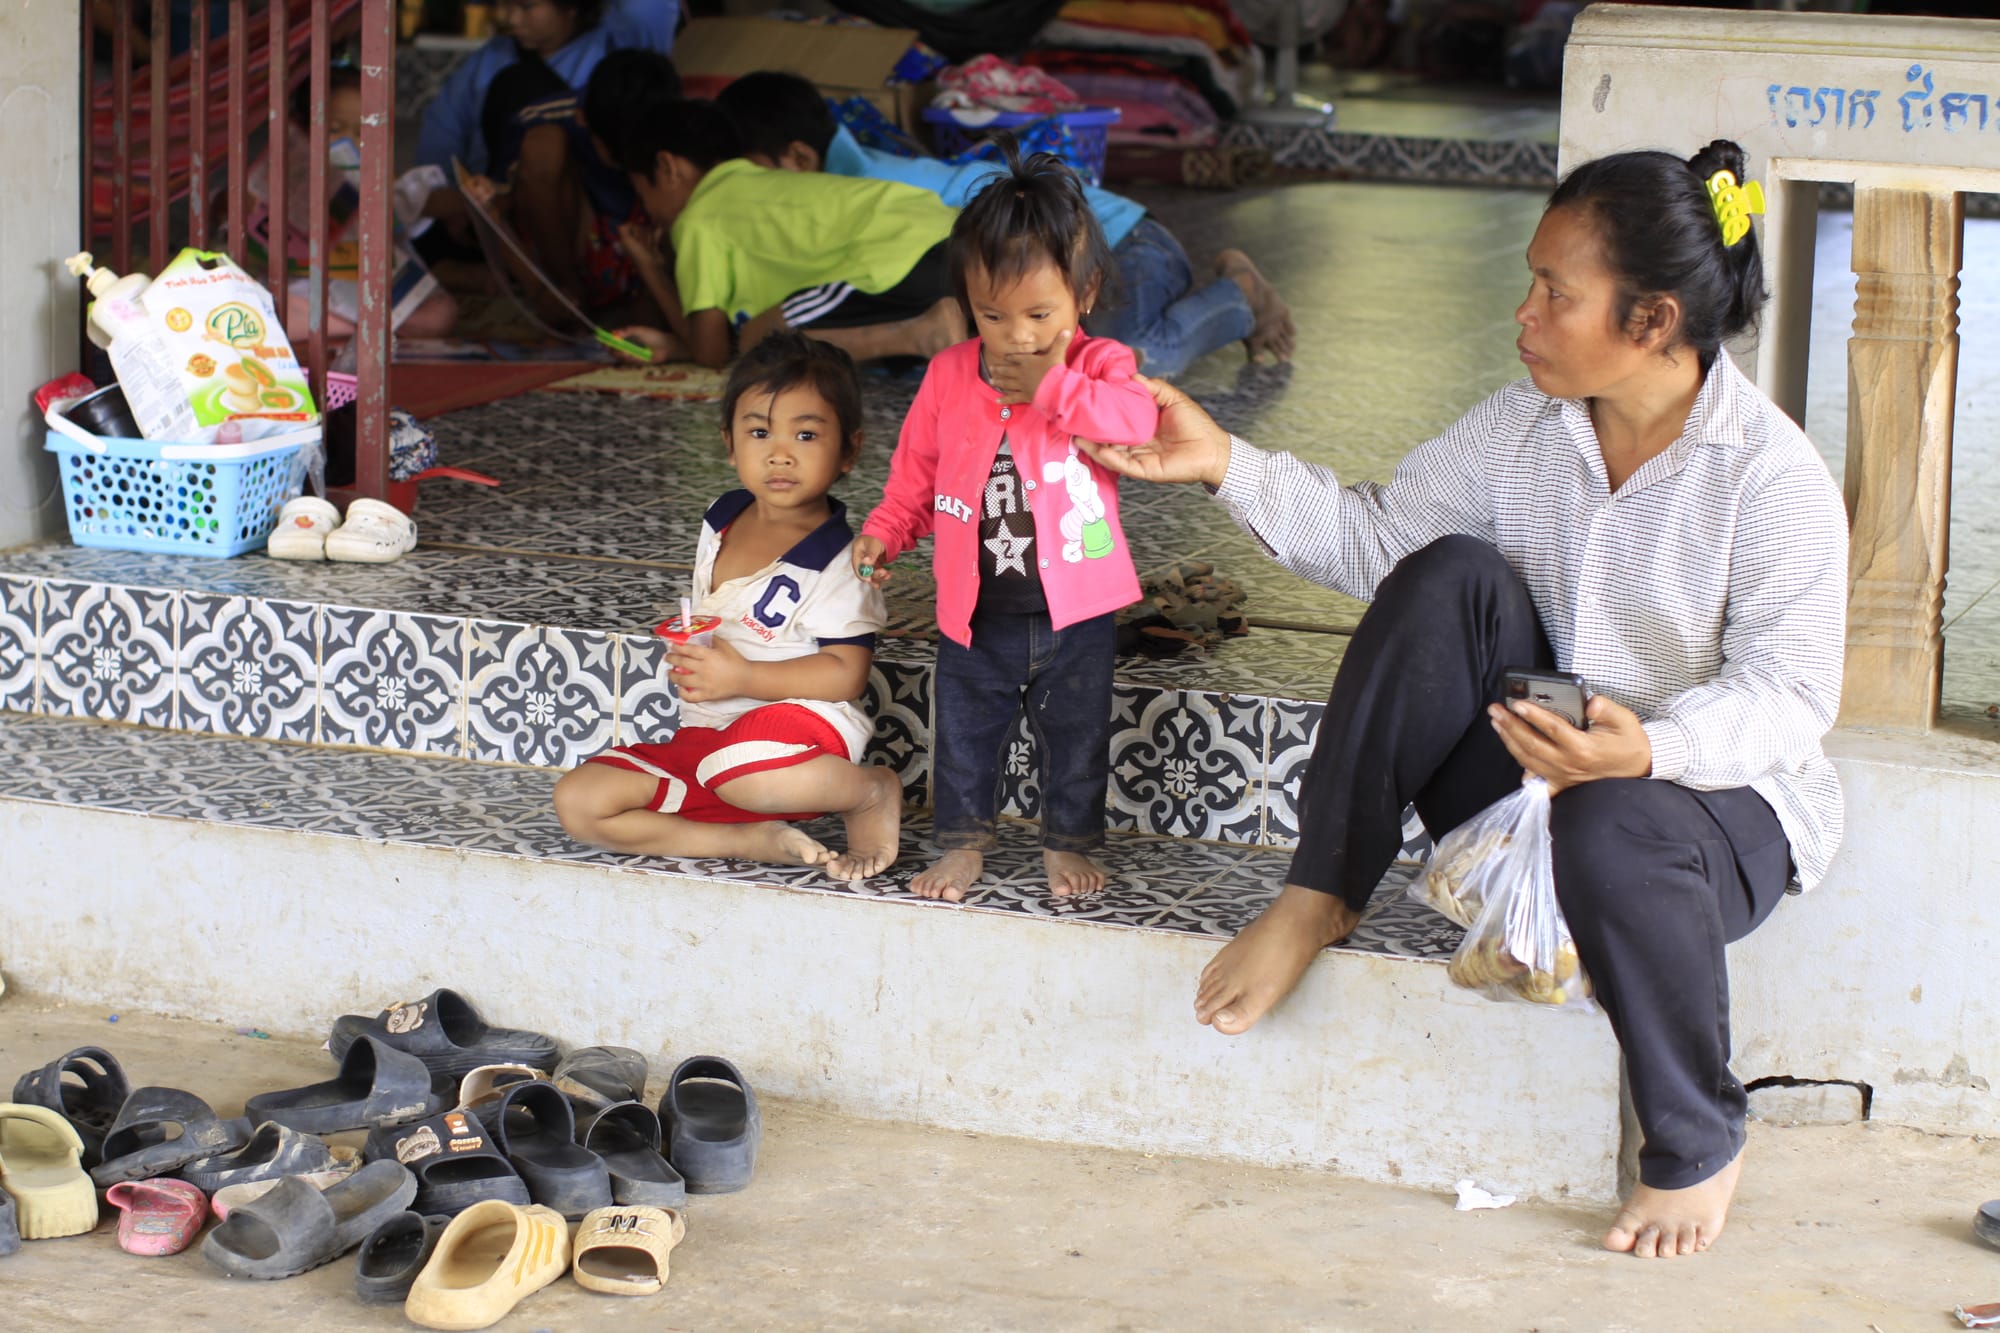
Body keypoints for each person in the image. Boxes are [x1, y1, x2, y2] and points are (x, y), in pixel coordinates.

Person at [1075, 140, 1848, 1259]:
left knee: (1610, 811)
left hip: (1691, 824)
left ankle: (1696, 1136)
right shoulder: (1517, 429)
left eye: (1554, 292)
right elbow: (1375, 539)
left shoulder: (1766, 477)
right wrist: (1220, 463)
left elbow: (1788, 697)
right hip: (1523, 780)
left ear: (1649, 321)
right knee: (1442, 574)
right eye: (1531, 281)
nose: (1523, 313)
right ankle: (1317, 894)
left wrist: (1649, 750)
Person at [851, 152, 1160, 900]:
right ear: (967, 303)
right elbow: (915, 476)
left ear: (1083, 295)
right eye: (992, 315)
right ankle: (962, 842)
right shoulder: (950, 374)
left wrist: (1056, 387)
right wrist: (885, 531)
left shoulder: (1101, 366)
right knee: (965, 737)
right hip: (974, 610)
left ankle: (1067, 840)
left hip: (1076, 610)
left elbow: (1137, 421)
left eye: (1039, 316)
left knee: (1075, 735)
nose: (1015, 337)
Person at [553, 331, 904, 879]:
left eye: (806, 434)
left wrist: (739, 674)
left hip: (798, 732)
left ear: (849, 451)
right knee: (580, 801)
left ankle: (869, 793)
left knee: (742, 771)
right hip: (707, 736)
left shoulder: (840, 558)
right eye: (759, 431)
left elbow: (846, 674)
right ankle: (746, 840)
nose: (779, 453)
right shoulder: (721, 518)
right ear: (728, 442)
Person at [713, 70, 1295, 374]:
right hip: (1065, 264)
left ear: (794, 159)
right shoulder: (837, 191)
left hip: (1124, 242)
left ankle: (1236, 293)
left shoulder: (879, 186)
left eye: (758, 173)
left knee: (1132, 360)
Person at [607, 99, 963, 369]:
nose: (649, 213)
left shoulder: (699, 216)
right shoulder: (756, 185)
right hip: (960, 241)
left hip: (902, 260)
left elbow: (711, 355)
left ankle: (918, 335)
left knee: (760, 337)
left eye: (643, 194)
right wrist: (674, 346)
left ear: (668, 167)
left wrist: (650, 268)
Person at [245, 66, 458, 342]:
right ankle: (351, 328)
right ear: (302, 128)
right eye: (334, 130)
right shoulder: (283, 178)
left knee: (441, 313)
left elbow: (435, 200)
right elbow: (239, 224)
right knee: (269, 311)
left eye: (362, 133)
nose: (350, 143)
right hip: (306, 295)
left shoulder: (382, 183)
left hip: (371, 295)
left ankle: (348, 328)